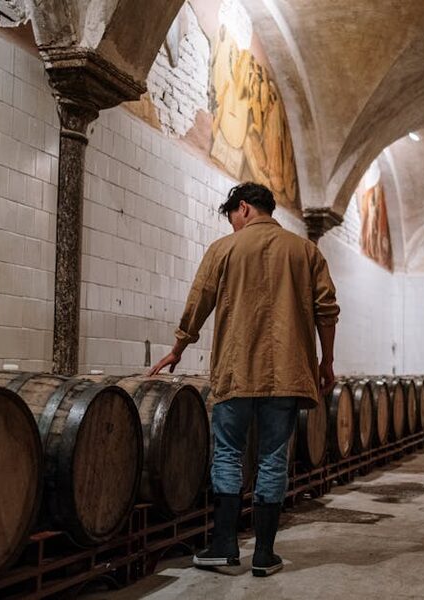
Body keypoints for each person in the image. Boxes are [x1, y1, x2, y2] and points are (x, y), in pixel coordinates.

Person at [149, 182, 340, 577]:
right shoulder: (306, 251)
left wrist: (179, 347)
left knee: (229, 453)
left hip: (236, 371)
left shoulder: (224, 249)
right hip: (288, 374)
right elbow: (327, 309)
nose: (234, 223)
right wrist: (327, 361)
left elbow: (199, 299)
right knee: (273, 457)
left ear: (244, 209)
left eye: (233, 215)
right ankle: (264, 554)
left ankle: (224, 545)